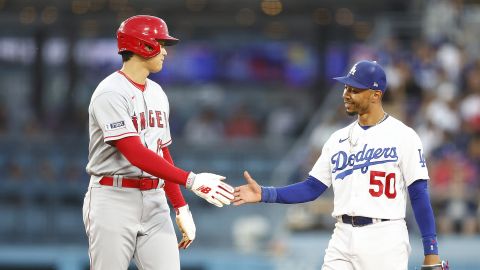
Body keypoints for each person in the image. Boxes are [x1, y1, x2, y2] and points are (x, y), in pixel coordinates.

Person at [234, 60, 449, 270]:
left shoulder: (403, 136)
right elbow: (311, 188)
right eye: (346, 87)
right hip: (342, 234)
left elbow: (419, 194)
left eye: (355, 89)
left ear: (376, 95)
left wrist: (431, 250)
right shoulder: (337, 139)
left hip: (385, 235)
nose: (346, 94)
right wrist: (265, 193)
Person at [83, 15, 234, 270]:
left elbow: (161, 151)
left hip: (155, 199)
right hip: (113, 197)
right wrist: (192, 180)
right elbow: (134, 153)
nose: (164, 51)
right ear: (144, 45)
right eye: (160, 44)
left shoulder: (157, 92)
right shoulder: (110, 92)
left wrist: (180, 206)